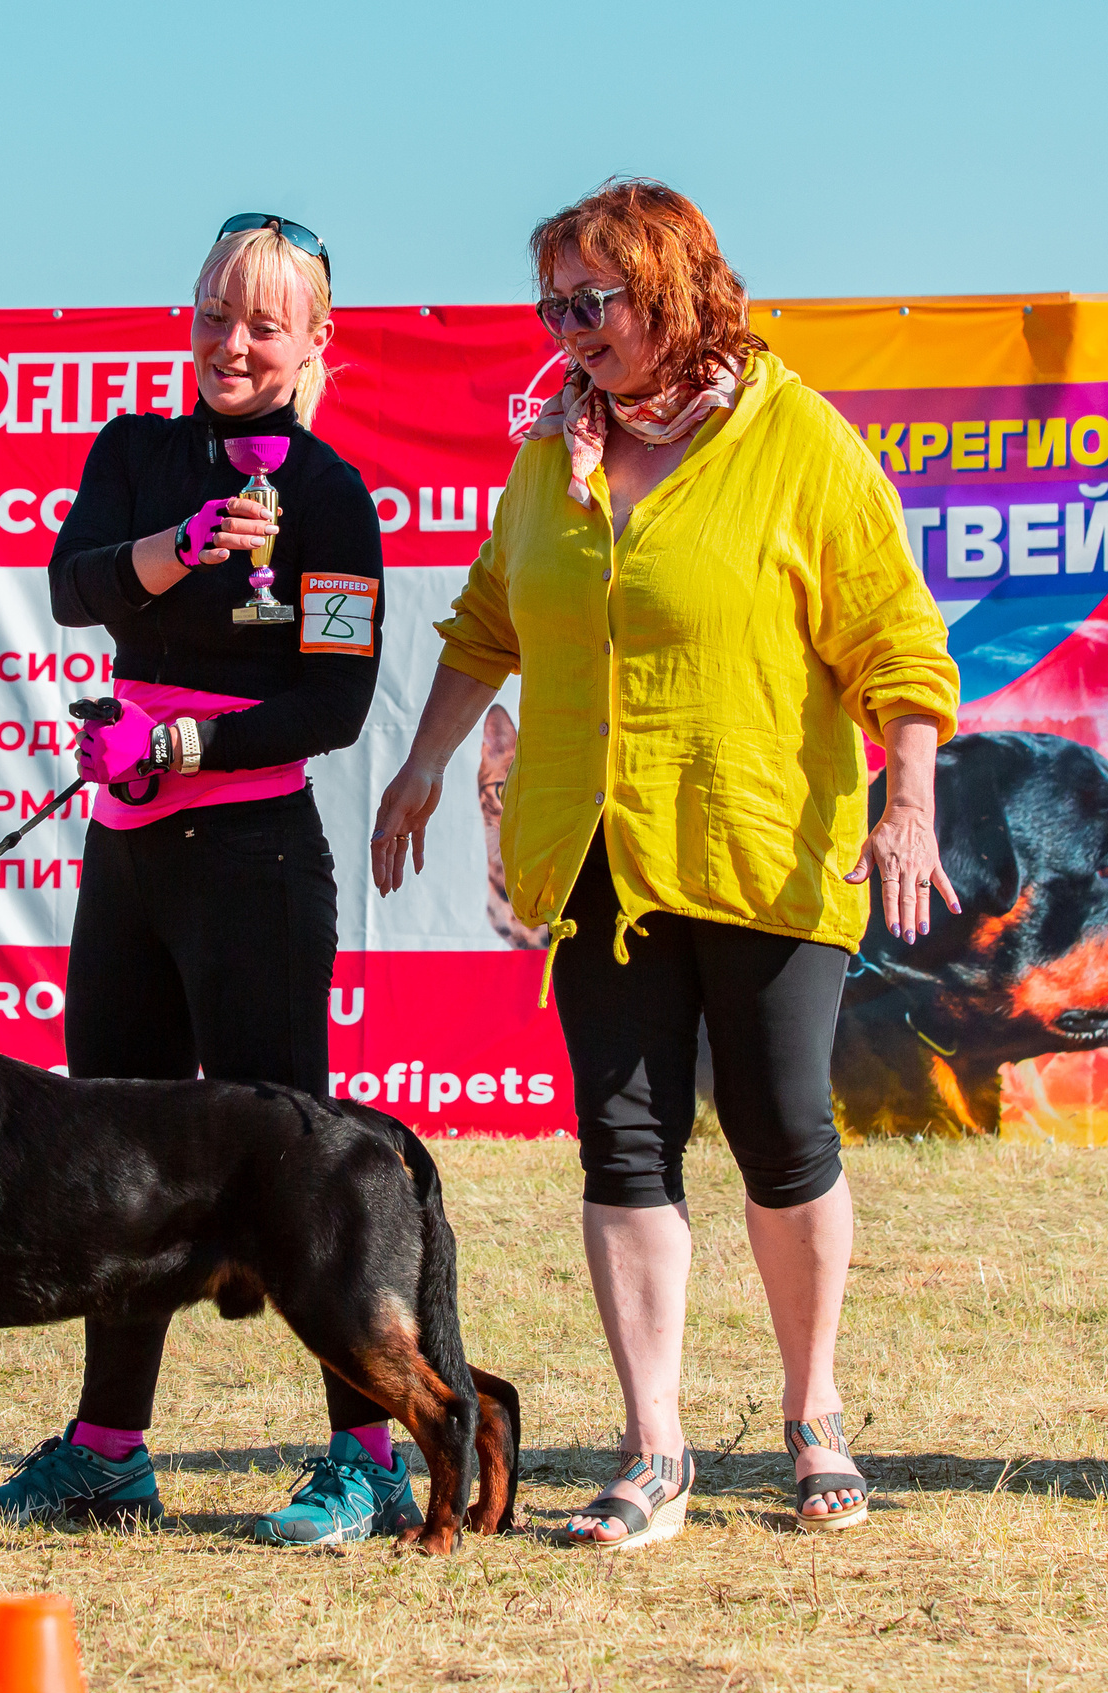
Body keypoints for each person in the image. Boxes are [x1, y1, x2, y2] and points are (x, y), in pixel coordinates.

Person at [370, 178, 959, 1549]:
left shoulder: (797, 441)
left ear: (676, 292)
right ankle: (655, 1450)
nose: (570, 327)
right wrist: (424, 764)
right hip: (599, 858)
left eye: (596, 299)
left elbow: (897, 642)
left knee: (780, 1131)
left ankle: (813, 1415)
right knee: (623, 1142)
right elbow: (487, 625)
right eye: (552, 306)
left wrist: (909, 799)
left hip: (761, 846)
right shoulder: (550, 460)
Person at [0, 215, 410, 1546]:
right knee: (111, 1160)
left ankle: (369, 1457)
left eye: (266, 323)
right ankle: (108, 1453)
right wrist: (180, 548)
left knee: (294, 1169)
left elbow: (335, 704)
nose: (234, 344)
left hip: (255, 864)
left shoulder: (334, 499)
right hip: (130, 859)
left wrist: (184, 743)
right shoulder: (135, 452)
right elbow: (72, 586)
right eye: (216, 315)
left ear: (317, 341)